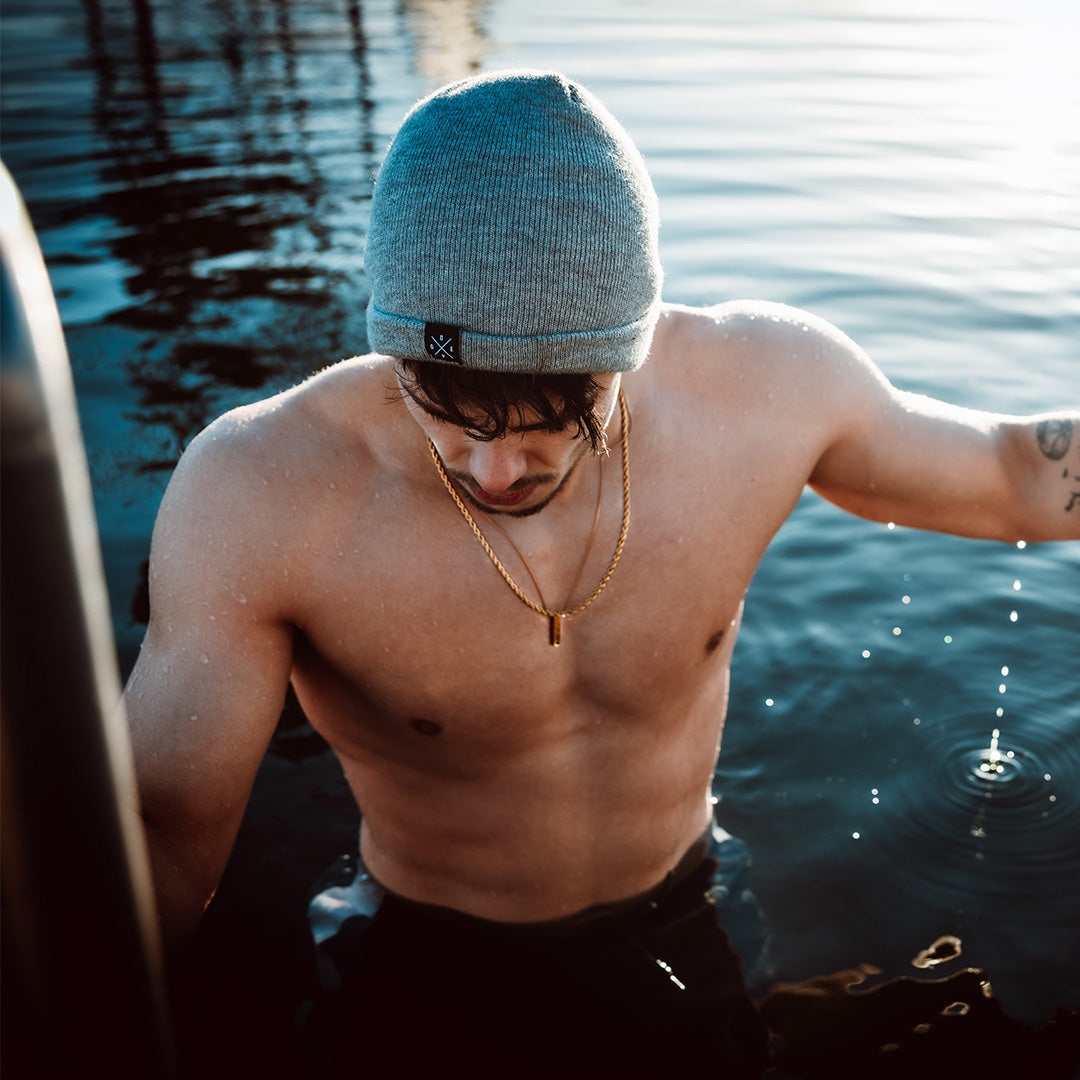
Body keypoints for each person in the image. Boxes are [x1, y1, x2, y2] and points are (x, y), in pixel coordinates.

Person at [123, 70, 1079, 1075]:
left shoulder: (764, 393)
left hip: (688, 895)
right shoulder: (262, 491)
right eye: (443, 404)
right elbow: (162, 834)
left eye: (553, 418)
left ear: (633, 348)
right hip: (423, 940)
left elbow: (1016, 473)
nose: (495, 470)